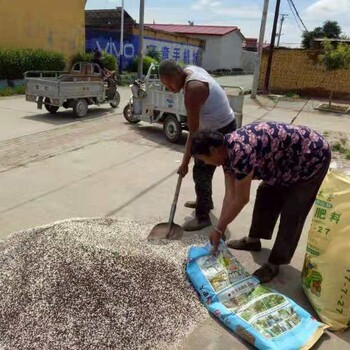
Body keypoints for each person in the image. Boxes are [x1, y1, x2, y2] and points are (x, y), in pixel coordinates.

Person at [190, 122, 331, 283]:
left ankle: (274, 263)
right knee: (266, 194)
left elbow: (242, 199)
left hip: (311, 157)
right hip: (281, 163)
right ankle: (253, 241)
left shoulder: (241, 151)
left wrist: (219, 228)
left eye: (203, 159)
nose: (205, 164)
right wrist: (219, 228)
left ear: (213, 150)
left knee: (293, 211)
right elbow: (230, 195)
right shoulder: (225, 154)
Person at [159, 59, 236, 231]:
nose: (169, 88)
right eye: (164, 84)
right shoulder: (190, 71)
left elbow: (193, 134)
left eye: (170, 82)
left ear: (178, 73)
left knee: (200, 170)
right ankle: (205, 201)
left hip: (221, 129)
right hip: (221, 123)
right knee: (202, 170)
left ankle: (203, 217)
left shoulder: (193, 90)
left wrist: (185, 162)